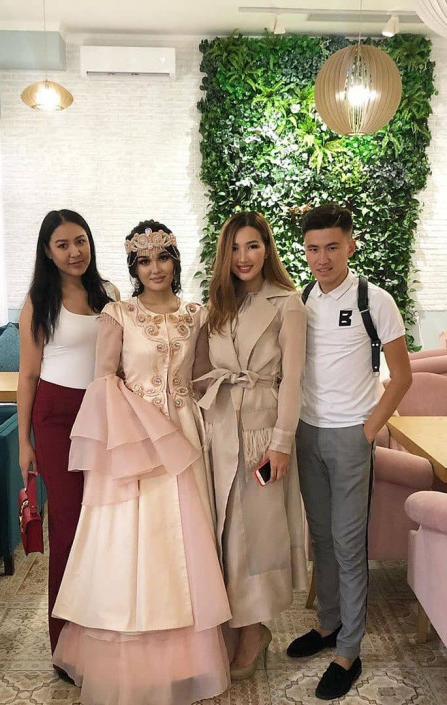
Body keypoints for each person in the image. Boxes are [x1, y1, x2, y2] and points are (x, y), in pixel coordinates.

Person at [51, 221, 231, 705]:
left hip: (185, 435)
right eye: (144, 261)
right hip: (134, 438)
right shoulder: (118, 314)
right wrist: (139, 428)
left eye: (163, 257)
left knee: (185, 543)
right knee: (131, 544)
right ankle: (127, 658)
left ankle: (186, 660)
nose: (155, 269)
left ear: (175, 261)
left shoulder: (196, 314)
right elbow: (104, 380)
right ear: (134, 268)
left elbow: (200, 375)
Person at [286, 204, 412, 701]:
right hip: (307, 432)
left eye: (332, 247)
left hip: (351, 436)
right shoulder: (300, 300)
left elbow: (402, 377)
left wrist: (368, 430)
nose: (322, 258)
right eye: (313, 248)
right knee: (320, 536)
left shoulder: (374, 300)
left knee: (346, 541)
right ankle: (328, 625)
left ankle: (349, 651)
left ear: (351, 246)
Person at [197, 212, 307, 680]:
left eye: (253, 246)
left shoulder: (288, 303)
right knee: (223, 533)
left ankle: (255, 627)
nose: (243, 257)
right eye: (236, 248)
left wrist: (281, 442)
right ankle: (237, 624)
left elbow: (294, 379)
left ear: (267, 249)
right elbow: (198, 369)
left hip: (262, 430)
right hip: (218, 427)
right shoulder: (216, 304)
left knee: (256, 535)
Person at [17, 209, 118, 665]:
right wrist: (24, 442)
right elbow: (28, 375)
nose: (75, 252)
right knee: (69, 523)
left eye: (81, 241)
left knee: (107, 521)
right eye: (63, 245)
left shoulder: (109, 294)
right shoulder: (39, 301)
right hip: (56, 417)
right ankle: (64, 641)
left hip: (104, 413)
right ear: (47, 251)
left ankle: (102, 629)